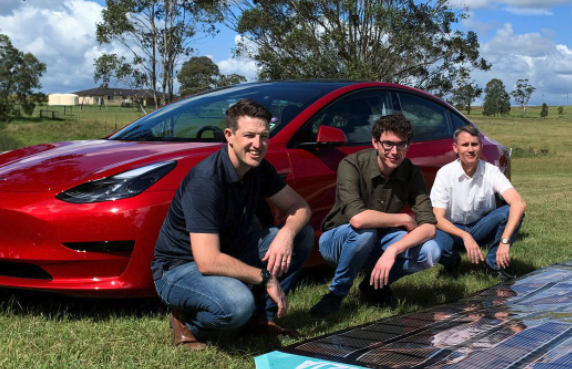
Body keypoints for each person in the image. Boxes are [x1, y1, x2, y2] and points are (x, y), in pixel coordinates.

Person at [152, 99, 314, 348]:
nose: (258, 145)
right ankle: (187, 321)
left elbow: (300, 207)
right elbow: (207, 261)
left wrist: (287, 234)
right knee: (238, 305)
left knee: (301, 234)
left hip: (228, 249)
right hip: (180, 267)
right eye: (249, 135)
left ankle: (262, 319)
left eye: (264, 136)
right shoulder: (206, 181)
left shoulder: (258, 167)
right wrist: (265, 277)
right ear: (229, 135)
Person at [311, 113, 441, 317]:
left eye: (401, 145)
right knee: (365, 231)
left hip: (380, 240)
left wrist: (393, 250)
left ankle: (374, 285)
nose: (395, 152)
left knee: (431, 251)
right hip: (338, 240)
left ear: (408, 145)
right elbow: (358, 219)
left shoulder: (411, 172)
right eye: (388, 144)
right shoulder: (352, 164)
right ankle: (335, 295)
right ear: (375, 142)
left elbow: (429, 227)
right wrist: (404, 219)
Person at [431, 124, 526, 282]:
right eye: (465, 145)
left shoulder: (491, 171)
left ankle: (493, 263)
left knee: (511, 211)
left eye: (474, 144)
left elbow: (519, 203)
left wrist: (505, 241)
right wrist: (464, 235)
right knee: (434, 247)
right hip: (451, 229)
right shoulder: (445, 174)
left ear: (481, 146)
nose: (470, 149)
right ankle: (453, 262)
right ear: (455, 148)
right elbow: (437, 218)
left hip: (480, 227)